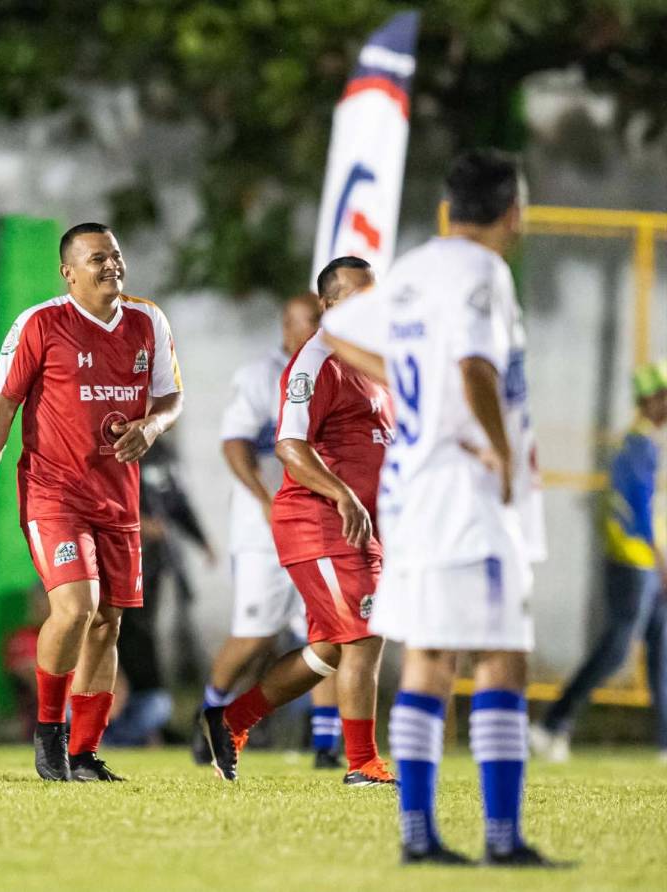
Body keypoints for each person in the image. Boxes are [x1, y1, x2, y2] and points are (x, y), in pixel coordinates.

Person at [321, 149, 557, 866]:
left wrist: (417, 398)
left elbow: (337, 331)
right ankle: (502, 836)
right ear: (513, 211)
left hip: (412, 493)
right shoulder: (483, 272)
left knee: (428, 658)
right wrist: (499, 447)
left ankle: (420, 837)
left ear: (450, 209)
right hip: (468, 496)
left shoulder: (419, 268)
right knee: (502, 658)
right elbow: (475, 366)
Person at [0, 222, 184, 781]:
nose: (112, 265)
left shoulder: (147, 321)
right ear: (68, 272)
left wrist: (153, 426)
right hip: (54, 493)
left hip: (118, 498)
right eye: (97, 258)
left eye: (115, 255)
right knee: (75, 607)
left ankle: (87, 753)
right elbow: (0, 408)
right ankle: (49, 738)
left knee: (107, 622)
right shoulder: (41, 323)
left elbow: (170, 396)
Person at [201, 257, 396, 787]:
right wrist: (343, 495)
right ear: (328, 306)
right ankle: (362, 764)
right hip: (322, 520)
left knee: (332, 646)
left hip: (362, 524)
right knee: (362, 637)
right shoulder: (316, 360)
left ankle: (232, 719)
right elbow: (289, 445)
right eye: (357, 295)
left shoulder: (373, 362)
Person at [195, 293, 347, 769]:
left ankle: (326, 745)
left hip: (320, 523)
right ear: (288, 326)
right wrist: (264, 499)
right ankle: (211, 716)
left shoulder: (343, 372)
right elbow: (235, 443)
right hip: (264, 529)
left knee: (329, 633)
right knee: (255, 634)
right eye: (313, 322)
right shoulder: (262, 377)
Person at [532, 362, 667, 762]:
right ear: (650, 399)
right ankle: (551, 724)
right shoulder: (636, 446)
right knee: (616, 650)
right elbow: (638, 511)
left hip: (644, 565)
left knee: (660, 653)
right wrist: (661, 559)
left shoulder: (645, 445)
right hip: (634, 565)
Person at [109, 435, 212, 746]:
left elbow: (177, 500)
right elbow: (95, 495)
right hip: (116, 559)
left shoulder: (164, 450)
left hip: (155, 566)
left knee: (145, 635)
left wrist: (201, 539)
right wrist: (136, 522)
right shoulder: (115, 442)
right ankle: (99, 723)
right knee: (111, 634)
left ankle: (146, 720)